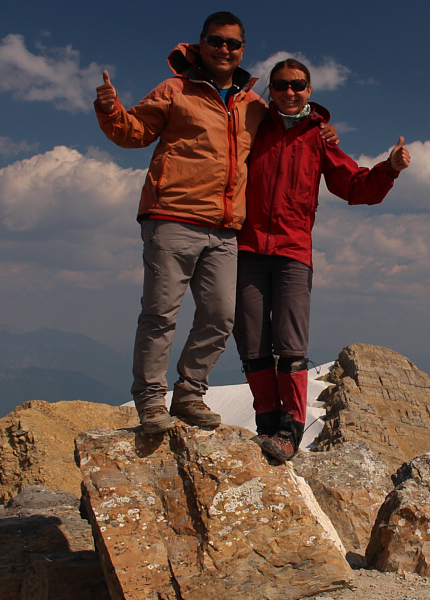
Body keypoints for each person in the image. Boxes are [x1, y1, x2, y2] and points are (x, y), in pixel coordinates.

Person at [93, 12, 336, 434]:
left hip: (226, 228)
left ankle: (189, 393)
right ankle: (152, 402)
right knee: (160, 314)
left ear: (243, 49)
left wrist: (322, 128)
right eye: (216, 41)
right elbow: (133, 132)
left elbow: (288, 122)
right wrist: (110, 108)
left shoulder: (254, 104)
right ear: (201, 44)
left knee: (221, 316)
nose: (225, 49)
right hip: (172, 215)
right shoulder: (175, 89)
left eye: (233, 43)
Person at [234, 58, 412, 461]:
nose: (289, 92)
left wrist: (390, 169)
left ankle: (289, 432)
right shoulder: (254, 127)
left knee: (291, 344)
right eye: (281, 85)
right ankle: (268, 425)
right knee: (251, 342)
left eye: (297, 85)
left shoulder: (318, 138)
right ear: (271, 90)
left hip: (293, 250)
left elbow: (352, 185)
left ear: (309, 91)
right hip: (245, 247)